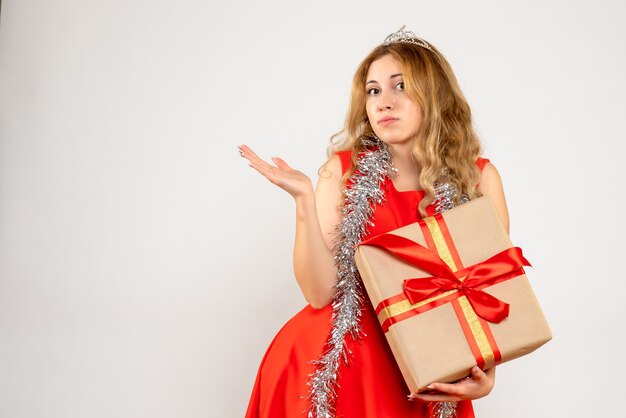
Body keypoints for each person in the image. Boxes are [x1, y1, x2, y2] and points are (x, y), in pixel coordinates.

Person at [239, 26, 510, 418]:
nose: (384, 102)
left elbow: (493, 288)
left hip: (427, 373)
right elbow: (319, 294)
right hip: (332, 369)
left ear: (434, 94)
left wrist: (488, 370)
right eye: (374, 90)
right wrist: (303, 200)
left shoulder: (479, 177)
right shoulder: (342, 172)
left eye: (400, 86)